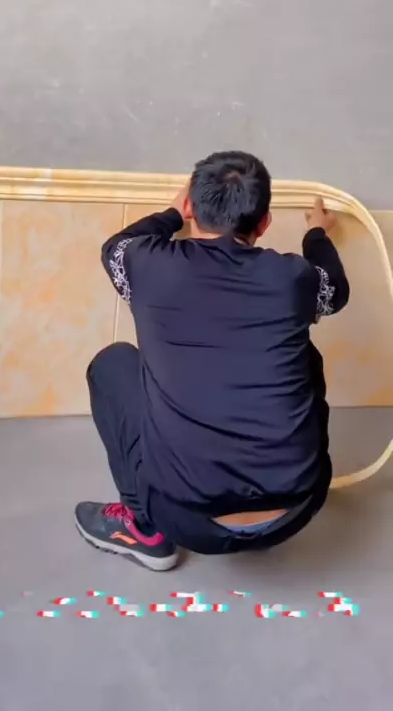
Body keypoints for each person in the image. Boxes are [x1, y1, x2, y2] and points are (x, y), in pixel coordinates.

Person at [74, 151, 350, 570]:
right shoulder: (294, 279)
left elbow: (115, 246)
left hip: (185, 520)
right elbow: (336, 289)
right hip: (297, 508)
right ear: (264, 223)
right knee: (303, 353)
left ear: (190, 207)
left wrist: (171, 215)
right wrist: (316, 233)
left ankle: (145, 529)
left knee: (113, 364)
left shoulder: (146, 264)